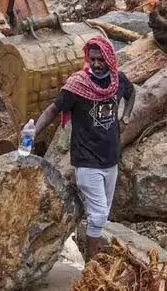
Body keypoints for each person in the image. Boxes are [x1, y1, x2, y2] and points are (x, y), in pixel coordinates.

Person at [32, 37, 134, 261]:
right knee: (98, 216)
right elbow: (52, 110)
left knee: (102, 214)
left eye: (101, 60)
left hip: (111, 159)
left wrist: (125, 116)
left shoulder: (118, 81)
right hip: (86, 160)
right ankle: (92, 265)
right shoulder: (77, 86)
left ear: (110, 59)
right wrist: (32, 133)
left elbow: (131, 93)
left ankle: (85, 245)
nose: (96, 64)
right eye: (92, 59)